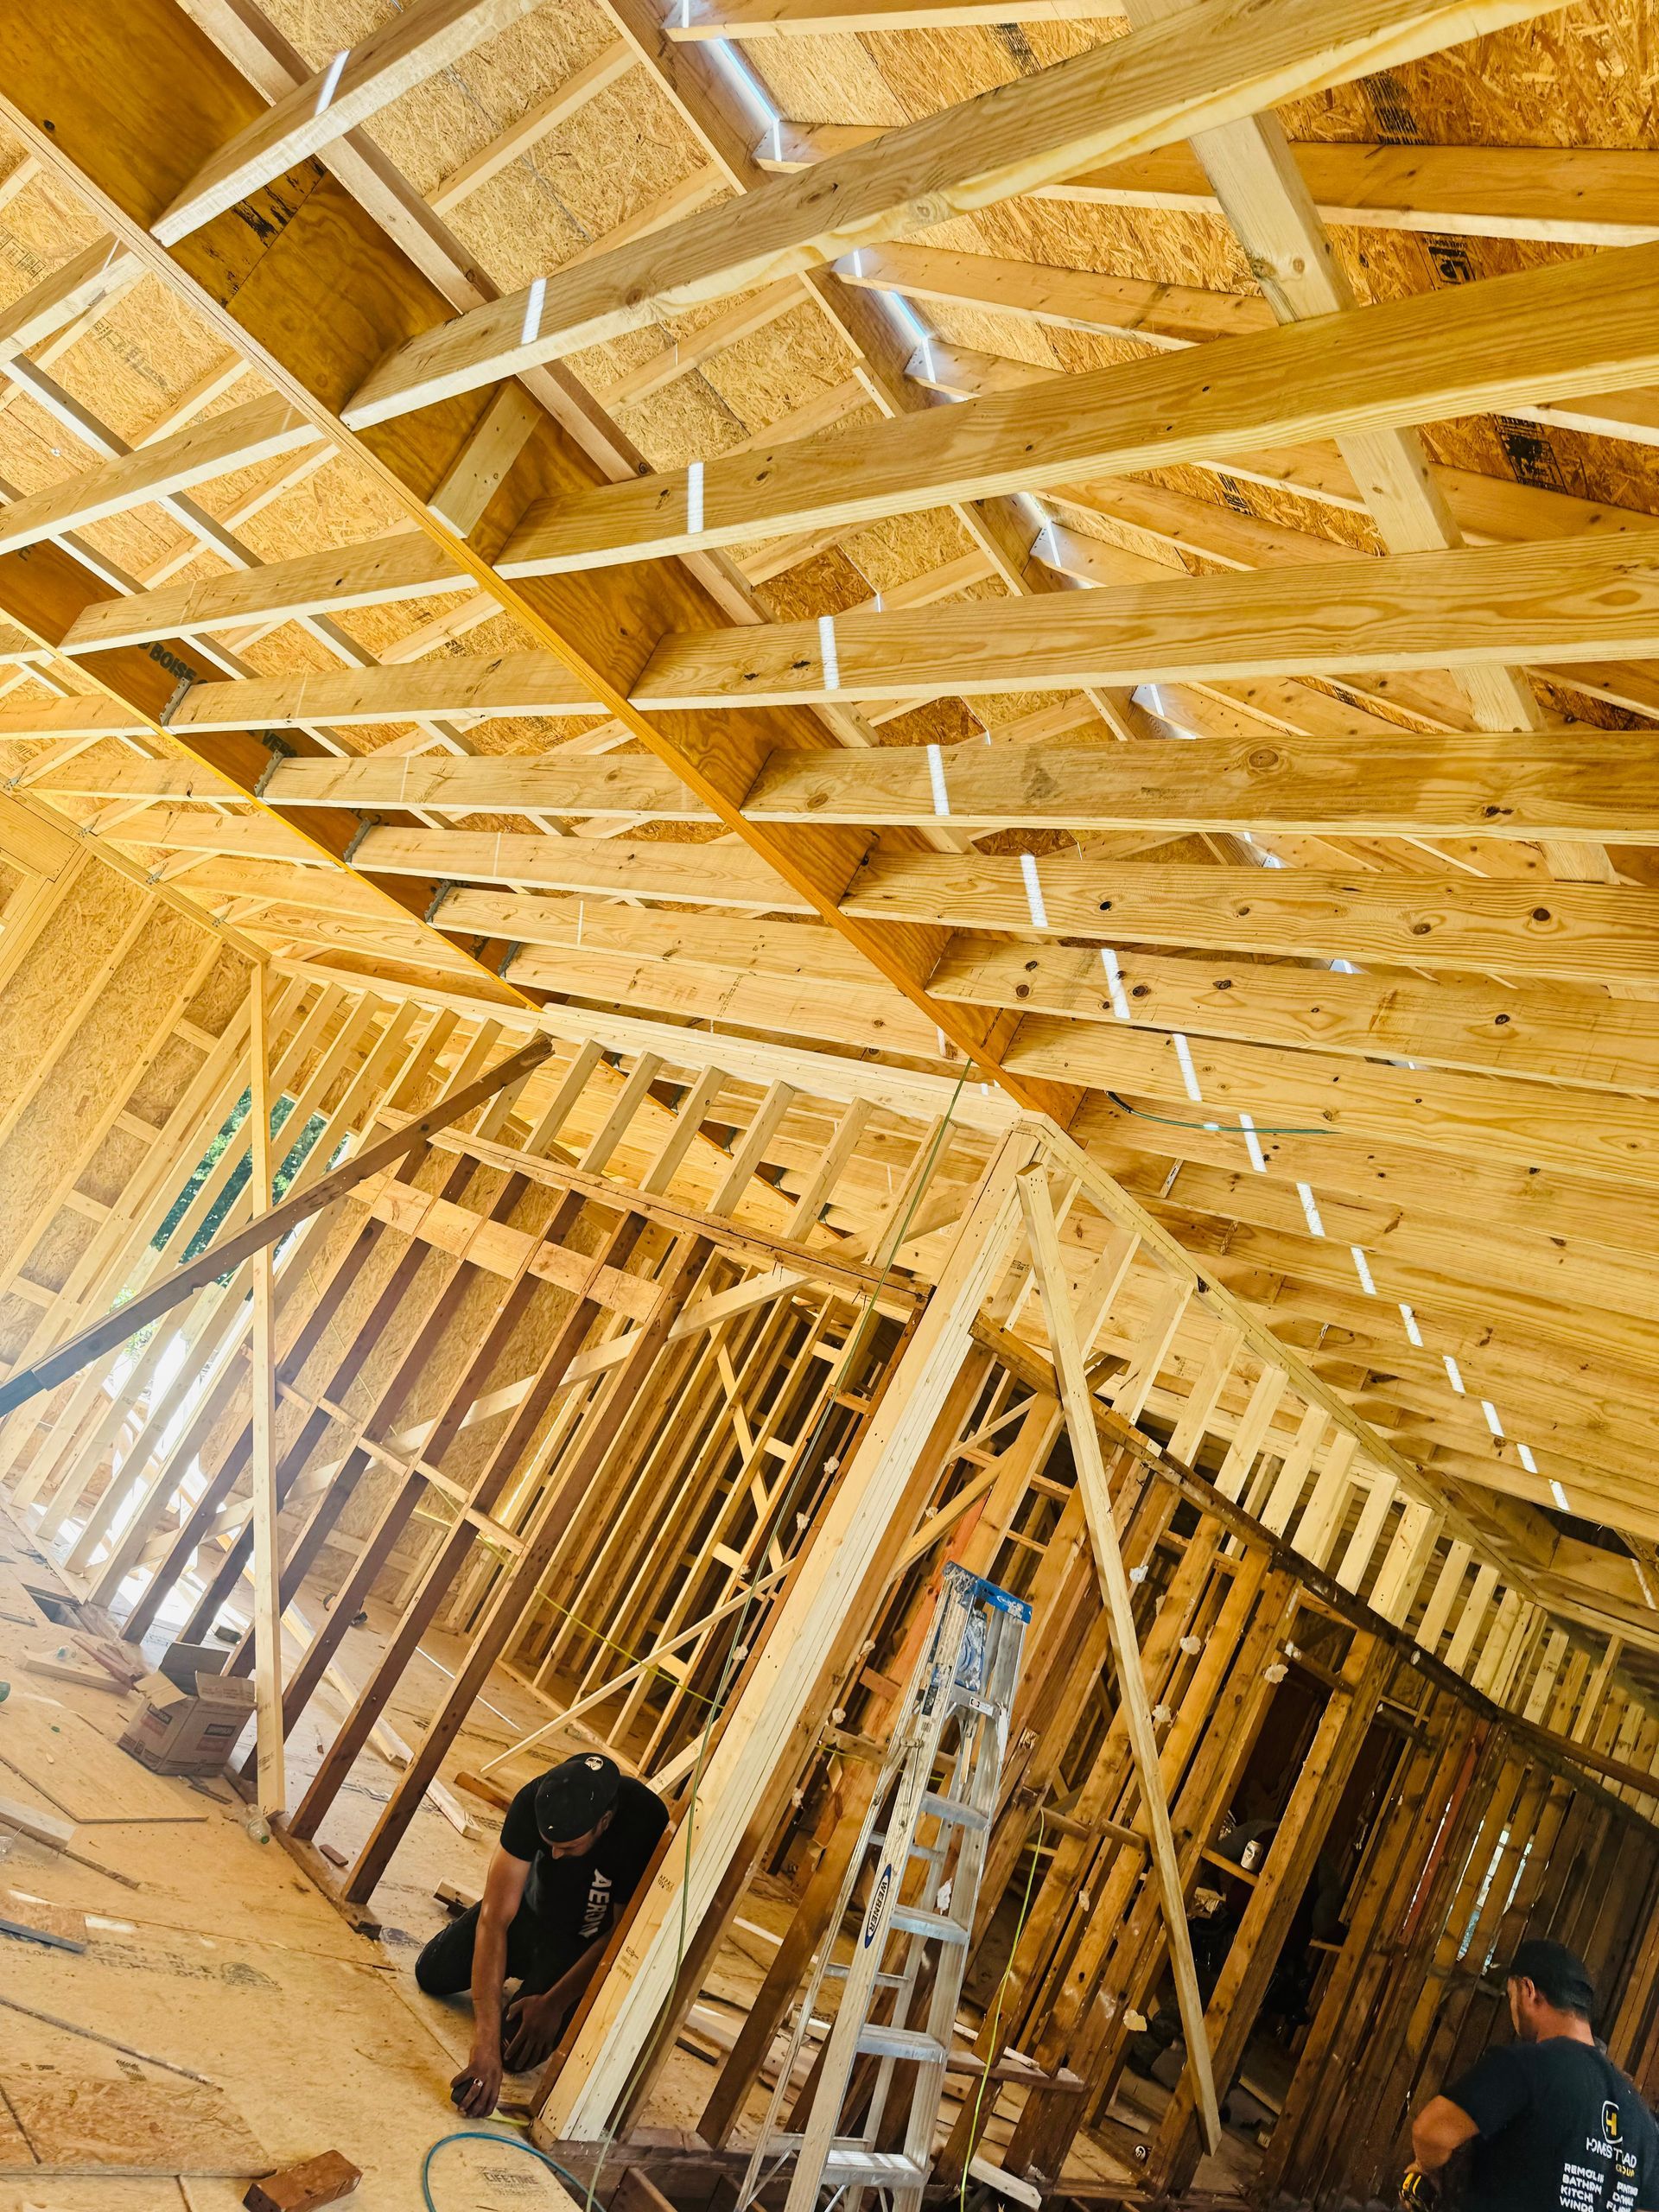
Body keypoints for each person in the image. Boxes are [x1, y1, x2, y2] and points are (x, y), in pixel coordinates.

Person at [415, 1751, 668, 2117]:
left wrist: (554, 2002)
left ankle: (537, 1986)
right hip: (529, 1915)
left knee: (515, 2054)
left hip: (577, 1947)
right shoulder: (533, 1799)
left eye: (569, 1847)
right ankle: (514, 1973)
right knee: (431, 1974)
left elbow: (620, 1935)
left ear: (605, 1821)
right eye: (549, 1843)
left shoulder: (643, 1824)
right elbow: (494, 1919)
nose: (554, 1854)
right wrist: (483, 2041)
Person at [1405, 1937, 1659, 2212]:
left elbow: (1432, 2132)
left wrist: (1427, 2171)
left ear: (1528, 1991)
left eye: (1511, 1996)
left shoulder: (1528, 2065)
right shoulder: (1641, 2115)